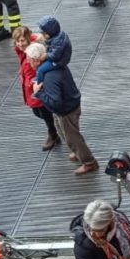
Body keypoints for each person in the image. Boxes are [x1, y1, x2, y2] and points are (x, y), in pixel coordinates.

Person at [26, 42, 99, 174]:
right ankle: (78, 152)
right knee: (64, 131)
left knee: (72, 137)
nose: (28, 62)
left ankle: (89, 162)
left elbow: (56, 102)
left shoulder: (49, 77)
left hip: (66, 110)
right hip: (70, 104)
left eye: (29, 59)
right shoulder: (55, 65)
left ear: (37, 60)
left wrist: (39, 92)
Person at [13, 26, 61, 151]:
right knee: (38, 112)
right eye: (17, 41)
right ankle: (54, 128)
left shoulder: (33, 52)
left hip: (35, 87)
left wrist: (34, 84)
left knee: (43, 111)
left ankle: (53, 133)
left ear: (28, 40)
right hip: (30, 87)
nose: (20, 44)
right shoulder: (24, 50)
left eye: (22, 40)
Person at [35, 15, 71, 84]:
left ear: (50, 33)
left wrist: (46, 55)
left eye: (44, 34)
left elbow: (55, 56)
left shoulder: (58, 41)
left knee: (41, 70)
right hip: (56, 57)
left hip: (58, 61)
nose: (43, 35)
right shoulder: (56, 37)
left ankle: (39, 84)